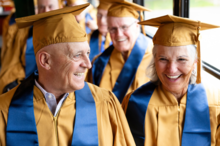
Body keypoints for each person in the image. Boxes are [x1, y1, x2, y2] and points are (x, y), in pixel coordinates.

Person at [0, 4, 135, 146]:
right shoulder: (5, 111)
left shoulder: (104, 104)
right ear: (45, 60)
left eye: (87, 53)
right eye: (77, 55)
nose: (88, 64)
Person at [122, 15, 220, 146]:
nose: (172, 69)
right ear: (154, 61)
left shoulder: (215, 101)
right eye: (163, 59)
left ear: (195, 62)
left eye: (181, 59)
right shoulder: (135, 102)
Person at [86, 0, 153, 103]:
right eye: (113, 29)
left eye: (124, 27)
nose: (119, 34)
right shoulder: (99, 63)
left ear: (136, 25)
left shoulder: (156, 58)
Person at [0, 0, 61, 94]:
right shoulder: (26, 31)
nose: (46, 11)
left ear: (60, 8)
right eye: (41, 7)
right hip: (23, 84)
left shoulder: (64, 32)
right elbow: (13, 62)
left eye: (50, 6)